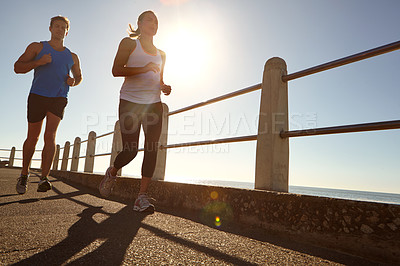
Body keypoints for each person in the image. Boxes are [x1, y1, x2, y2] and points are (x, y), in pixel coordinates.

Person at [99, 10, 171, 212]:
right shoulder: (129, 43)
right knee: (130, 150)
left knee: (152, 147)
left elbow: (157, 78)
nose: (154, 23)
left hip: (153, 104)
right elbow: (116, 70)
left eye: (156, 21)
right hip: (130, 102)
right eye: (149, 19)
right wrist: (144, 67)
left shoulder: (162, 54)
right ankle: (112, 172)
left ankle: (141, 197)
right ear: (139, 23)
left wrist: (164, 87)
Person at [14, 16, 82, 194]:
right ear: (50, 28)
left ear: (67, 32)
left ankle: (44, 178)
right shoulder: (37, 47)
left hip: (59, 97)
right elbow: (17, 67)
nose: (59, 30)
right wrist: (38, 62)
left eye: (63, 27)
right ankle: (24, 173)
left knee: (50, 135)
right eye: (56, 26)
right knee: (33, 137)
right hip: (37, 95)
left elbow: (79, 77)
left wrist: (73, 82)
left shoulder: (72, 56)